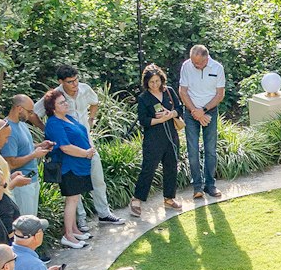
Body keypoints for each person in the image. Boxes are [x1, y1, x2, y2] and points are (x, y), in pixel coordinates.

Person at [57, 65, 123, 229]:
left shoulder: (85, 89)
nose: (74, 84)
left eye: (76, 80)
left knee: (98, 179)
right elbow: (36, 112)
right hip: (71, 147)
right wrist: (51, 132)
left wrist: (91, 119)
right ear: (61, 82)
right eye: (70, 82)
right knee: (75, 187)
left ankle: (104, 213)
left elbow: (95, 102)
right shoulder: (56, 96)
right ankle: (81, 220)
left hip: (88, 142)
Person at [41, 87, 95, 250]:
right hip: (68, 167)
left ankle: (74, 230)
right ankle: (68, 235)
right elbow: (65, 147)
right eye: (61, 102)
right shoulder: (54, 123)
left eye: (65, 101)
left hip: (80, 165)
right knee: (71, 200)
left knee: (75, 198)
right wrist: (85, 153)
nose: (66, 104)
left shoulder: (68, 118)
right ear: (52, 107)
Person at [130, 64, 184, 216]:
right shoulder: (144, 98)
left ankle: (169, 197)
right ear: (146, 82)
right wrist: (159, 120)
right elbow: (143, 121)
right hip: (153, 138)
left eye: (157, 81)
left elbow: (180, 109)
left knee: (172, 166)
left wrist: (171, 114)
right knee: (149, 168)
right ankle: (137, 199)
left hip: (171, 136)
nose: (155, 85)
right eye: (151, 82)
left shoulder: (169, 92)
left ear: (162, 79)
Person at [177, 43, 226, 200]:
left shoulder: (217, 68)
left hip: (209, 111)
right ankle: (197, 186)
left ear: (207, 58)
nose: (195, 65)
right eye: (193, 62)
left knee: (210, 149)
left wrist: (203, 111)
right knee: (192, 150)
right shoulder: (186, 66)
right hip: (191, 111)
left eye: (198, 63)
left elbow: (220, 95)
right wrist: (194, 112)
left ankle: (210, 185)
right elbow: (182, 91)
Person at [0, 94, 47, 217]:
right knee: (26, 223)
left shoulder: (22, 124)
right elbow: (10, 163)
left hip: (32, 180)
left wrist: (40, 145)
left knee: (33, 220)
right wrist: (33, 155)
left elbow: (25, 147)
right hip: (21, 185)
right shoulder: (8, 130)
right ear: (19, 109)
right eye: (30, 111)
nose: (31, 115)